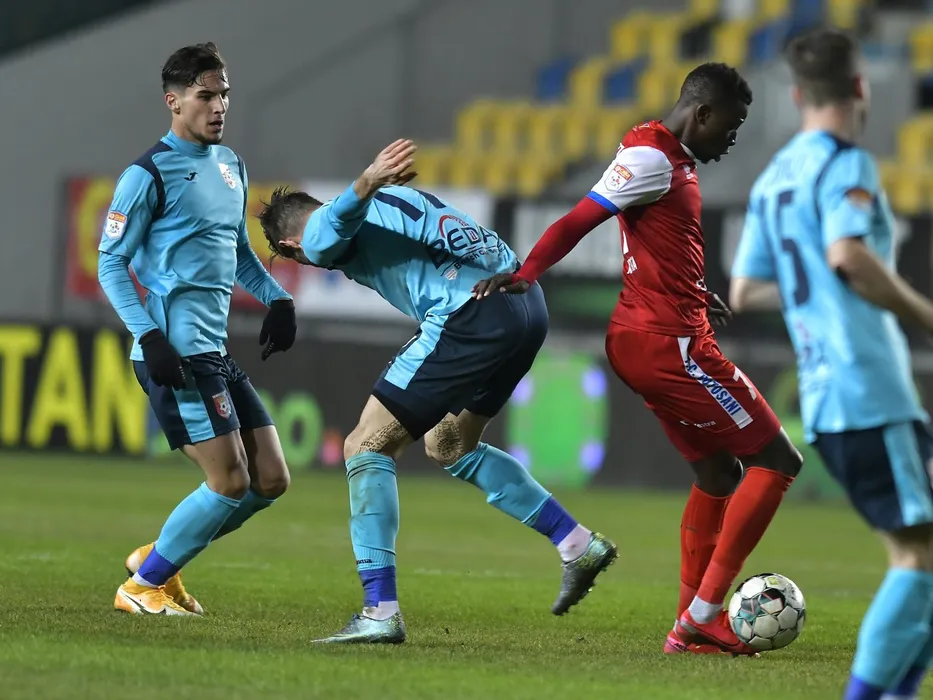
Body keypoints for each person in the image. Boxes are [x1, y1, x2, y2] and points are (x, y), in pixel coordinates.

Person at [474, 62, 803, 656]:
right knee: (778, 459)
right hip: (668, 343)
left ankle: (690, 625)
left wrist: (692, 288)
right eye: (731, 126)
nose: (733, 139)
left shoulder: (659, 150)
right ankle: (703, 615)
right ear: (702, 113)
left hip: (644, 336)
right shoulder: (653, 158)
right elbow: (580, 219)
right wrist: (526, 273)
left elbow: (654, 239)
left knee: (719, 475)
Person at [257, 138, 617, 644]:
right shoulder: (394, 199)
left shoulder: (323, 230)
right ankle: (576, 543)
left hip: (469, 312)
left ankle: (380, 610)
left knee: (365, 446)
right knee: (450, 444)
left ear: (290, 247)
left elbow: (322, 232)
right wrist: (370, 186)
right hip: (525, 303)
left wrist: (366, 178)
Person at [731, 28, 933, 700]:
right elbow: (847, 256)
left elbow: (745, 290)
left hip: (825, 396)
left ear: (796, 96)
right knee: (915, 557)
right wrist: (923, 312)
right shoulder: (845, 164)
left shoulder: (774, 179)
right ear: (859, 87)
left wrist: (811, 284)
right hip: (867, 385)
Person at [98, 42, 297, 616]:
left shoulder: (231, 165)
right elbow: (110, 263)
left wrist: (278, 299)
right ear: (174, 101)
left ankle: (159, 560)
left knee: (270, 479)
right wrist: (149, 336)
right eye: (206, 96)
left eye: (224, 95)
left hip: (213, 349)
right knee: (230, 480)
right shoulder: (146, 175)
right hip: (175, 351)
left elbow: (238, 252)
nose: (219, 106)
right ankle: (143, 586)